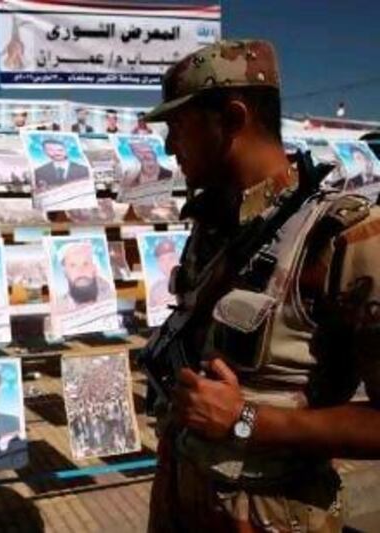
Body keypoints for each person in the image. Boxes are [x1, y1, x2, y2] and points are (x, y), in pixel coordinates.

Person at [142, 39, 380, 532]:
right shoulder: (215, 227)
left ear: (231, 119)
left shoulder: (341, 237)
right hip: (182, 498)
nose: (168, 146)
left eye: (178, 126)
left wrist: (247, 419)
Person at [55, 241, 114, 312]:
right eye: (73, 265)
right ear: (65, 273)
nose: (80, 271)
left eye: (85, 264)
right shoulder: (59, 307)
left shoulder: (112, 297)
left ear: (94, 269)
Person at [146, 238, 178, 309]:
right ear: (158, 265)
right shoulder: (155, 289)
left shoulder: (192, 282)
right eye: (162, 260)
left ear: (178, 259)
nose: (167, 264)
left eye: (171, 258)